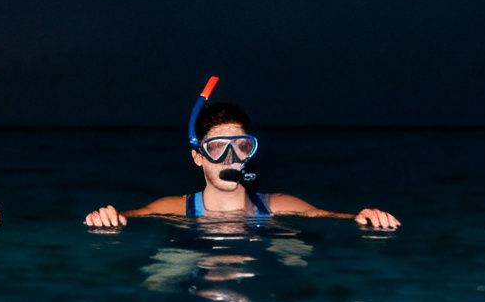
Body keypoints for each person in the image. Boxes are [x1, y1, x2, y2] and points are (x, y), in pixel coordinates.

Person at [83, 77, 400, 230]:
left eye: (241, 146)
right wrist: (109, 217)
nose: (230, 158)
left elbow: (327, 216)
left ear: (250, 152)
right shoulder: (176, 208)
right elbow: (131, 216)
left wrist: (362, 218)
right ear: (198, 156)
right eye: (217, 147)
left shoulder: (276, 206)